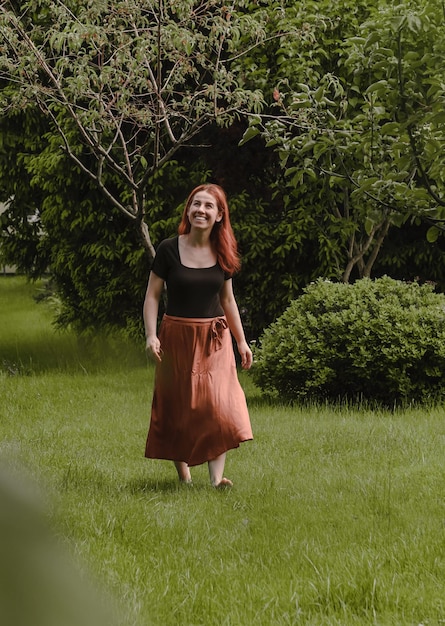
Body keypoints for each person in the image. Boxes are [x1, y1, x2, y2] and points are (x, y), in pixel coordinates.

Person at [143, 183, 253, 488]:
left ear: (219, 215)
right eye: (196, 204)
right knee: (178, 405)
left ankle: (217, 480)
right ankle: (185, 477)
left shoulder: (223, 252)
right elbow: (152, 296)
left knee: (218, 406)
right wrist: (152, 335)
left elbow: (228, 301)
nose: (200, 210)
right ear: (188, 210)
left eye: (208, 206)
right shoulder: (168, 248)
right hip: (176, 336)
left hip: (214, 339)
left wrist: (241, 341)